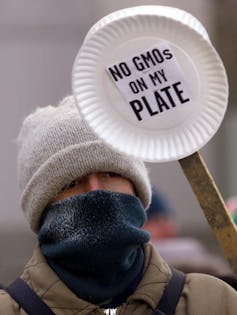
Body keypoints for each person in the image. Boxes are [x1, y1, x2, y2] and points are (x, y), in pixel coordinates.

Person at [0, 95, 237, 314]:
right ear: (40, 209)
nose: (95, 191)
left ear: (138, 190)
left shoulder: (213, 302)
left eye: (111, 174)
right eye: (71, 183)